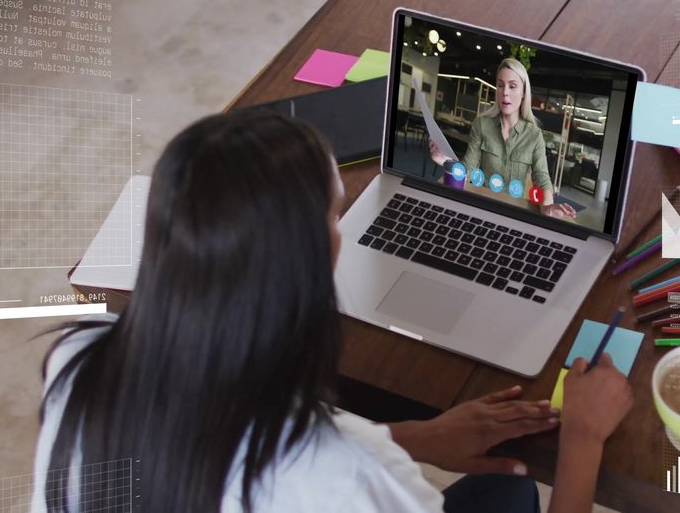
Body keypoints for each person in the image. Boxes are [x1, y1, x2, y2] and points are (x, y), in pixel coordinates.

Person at [33, 111, 632, 512]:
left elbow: (219, 442)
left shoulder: (77, 361)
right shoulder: (348, 481)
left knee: (500, 493)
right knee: (510, 494)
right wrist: (582, 438)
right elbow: (320, 467)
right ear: (308, 257)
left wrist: (412, 437)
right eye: (334, 213)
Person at [429, 58, 577, 220]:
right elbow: (468, 170)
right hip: (481, 207)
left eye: (512, 86)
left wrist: (548, 206)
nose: (505, 92)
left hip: (513, 213)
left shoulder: (534, 135)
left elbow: (541, 178)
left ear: (523, 93)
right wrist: (446, 162)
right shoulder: (481, 125)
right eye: (500, 85)